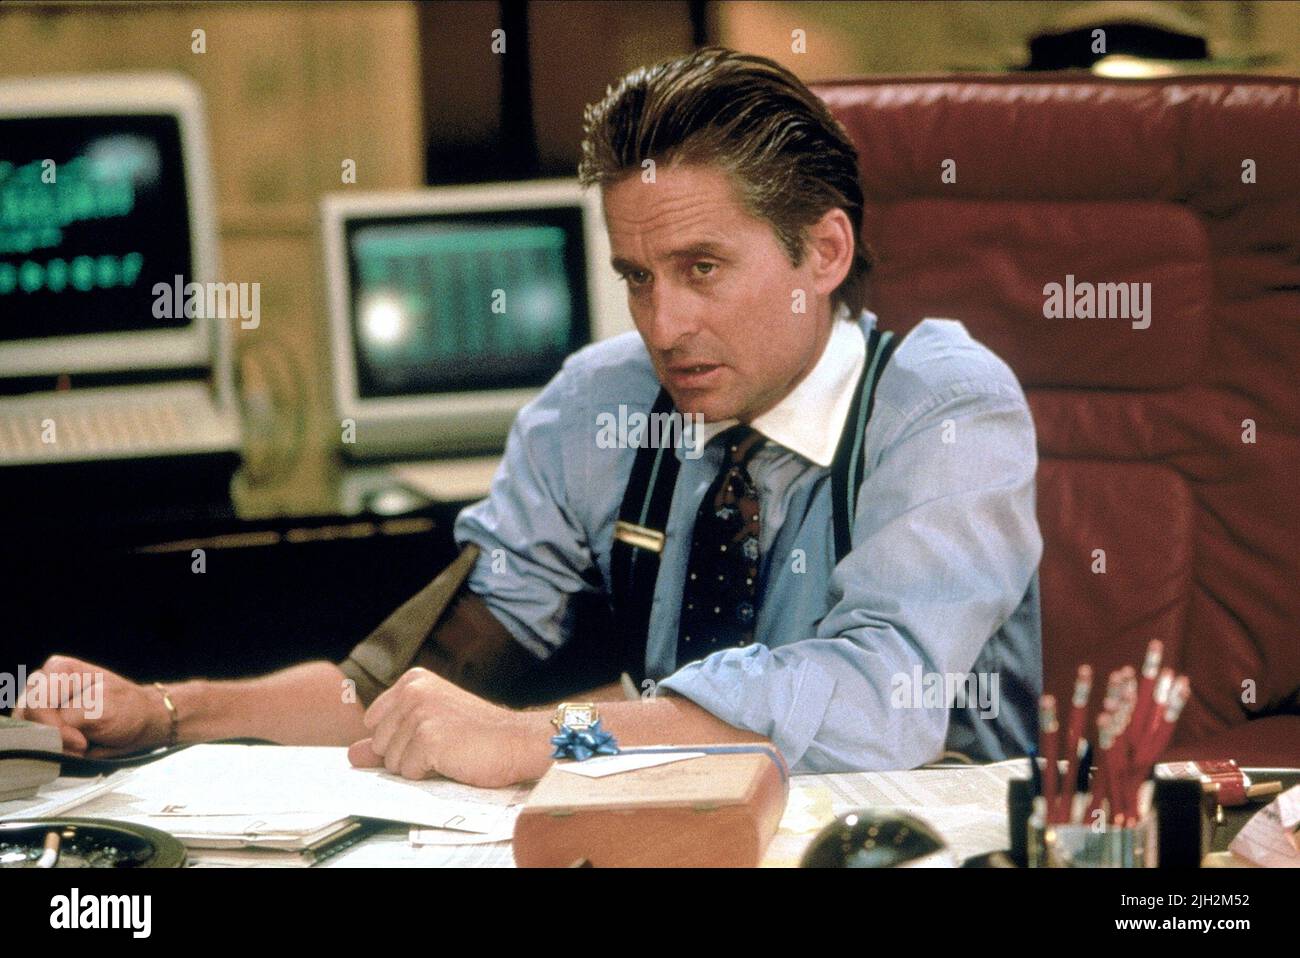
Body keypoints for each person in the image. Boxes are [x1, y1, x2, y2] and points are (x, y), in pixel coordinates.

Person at [15, 47, 1042, 788]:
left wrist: (540, 736)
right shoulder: (598, 407)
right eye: (636, 277)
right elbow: (408, 684)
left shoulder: (945, 404)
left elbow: (877, 698)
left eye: (702, 269)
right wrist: (169, 708)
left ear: (823, 253)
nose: (663, 326)